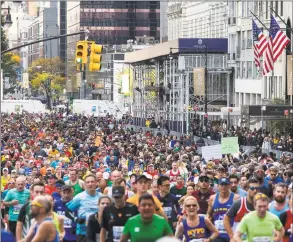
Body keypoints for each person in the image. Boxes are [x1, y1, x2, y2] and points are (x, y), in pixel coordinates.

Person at [66, 174, 103, 242]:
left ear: (96, 183)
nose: (90, 184)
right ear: (85, 184)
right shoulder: (79, 197)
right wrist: (76, 219)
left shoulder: (102, 197)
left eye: (92, 182)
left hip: (98, 232)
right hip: (82, 232)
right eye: (88, 182)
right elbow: (67, 211)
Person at [207, 177, 240, 242]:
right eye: (222, 184)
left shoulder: (236, 198)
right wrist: (208, 218)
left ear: (229, 186)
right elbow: (208, 213)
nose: (223, 187)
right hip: (217, 234)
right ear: (218, 186)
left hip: (231, 233)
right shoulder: (212, 198)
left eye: (226, 184)